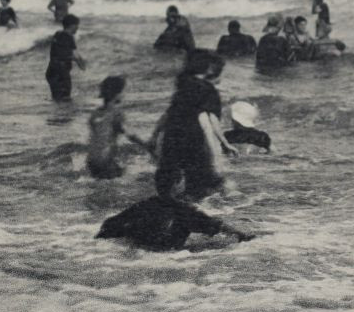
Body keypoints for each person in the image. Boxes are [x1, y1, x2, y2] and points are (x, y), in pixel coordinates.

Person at [155, 49, 236, 201]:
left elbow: (168, 114)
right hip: (193, 138)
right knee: (202, 185)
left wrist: (154, 137)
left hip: (172, 137)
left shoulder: (182, 86)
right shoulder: (208, 90)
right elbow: (210, 121)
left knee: (169, 180)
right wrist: (223, 144)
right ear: (210, 69)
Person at [96, 196, 252, 252]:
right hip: (169, 255)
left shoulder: (143, 206)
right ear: (178, 183)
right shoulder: (184, 211)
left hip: (139, 251)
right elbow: (217, 225)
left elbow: (108, 226)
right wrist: (244, 236)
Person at [87, 75, 152, 178]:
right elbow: (130, 134)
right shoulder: (117, 112)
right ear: (117, 94)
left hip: (91, 161)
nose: (124, 94)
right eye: (123, 91)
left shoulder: (95, 113)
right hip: (106, 160)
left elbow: (98, 137)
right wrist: (147, 146)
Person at [46, 14, 86, 101]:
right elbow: (75, 55)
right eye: (77, 25)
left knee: (56, 97)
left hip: (51, 70)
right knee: (65, 98)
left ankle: (57, 114)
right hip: (61, 71)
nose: (77, 28)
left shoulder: (57, 34)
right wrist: (81, 64)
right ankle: (64, 114)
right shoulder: (69, 37)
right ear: (72, 26)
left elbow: (59, 51)